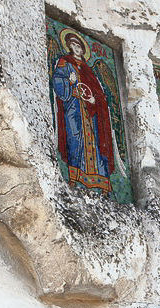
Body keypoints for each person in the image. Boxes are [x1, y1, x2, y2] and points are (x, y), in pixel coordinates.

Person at [52, 30, 115, 192]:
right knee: (74, 138)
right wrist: (69, 82)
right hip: (73, 108)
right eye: (73, 44)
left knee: (96, 140)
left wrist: (95, 100)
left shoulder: (89, 69)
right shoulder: (64, 62)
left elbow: (99, 92)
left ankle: (101, 181)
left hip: (91, 111)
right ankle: (74, 177)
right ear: (69, 46)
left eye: (79, 45)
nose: (76, 47)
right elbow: (57, 81)